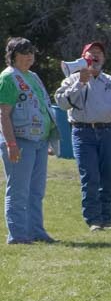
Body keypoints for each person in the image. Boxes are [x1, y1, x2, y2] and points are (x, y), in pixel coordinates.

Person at [51, 41, 111, 231]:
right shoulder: (71, 80)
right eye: (91, 53)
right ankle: (93, 220)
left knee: (107, 176)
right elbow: (62, 103)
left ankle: (106, 218)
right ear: (84, 58)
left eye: (99, 53)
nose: (96, 56)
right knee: (90, 176)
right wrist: (80, 83)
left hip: (108, 132)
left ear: (104, 59)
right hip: (83, 132)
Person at [1, 37, 57, 243]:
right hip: (20, 141)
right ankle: (17, 235)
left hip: (39, 141)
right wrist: (11, 144)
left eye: (31, 52)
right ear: (13, 56)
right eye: (24, 53)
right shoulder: (8, 78)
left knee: (36, 190)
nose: (29, 56)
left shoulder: (32, 76)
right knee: (18, 190)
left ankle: (36, 231)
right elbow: (3, 114)